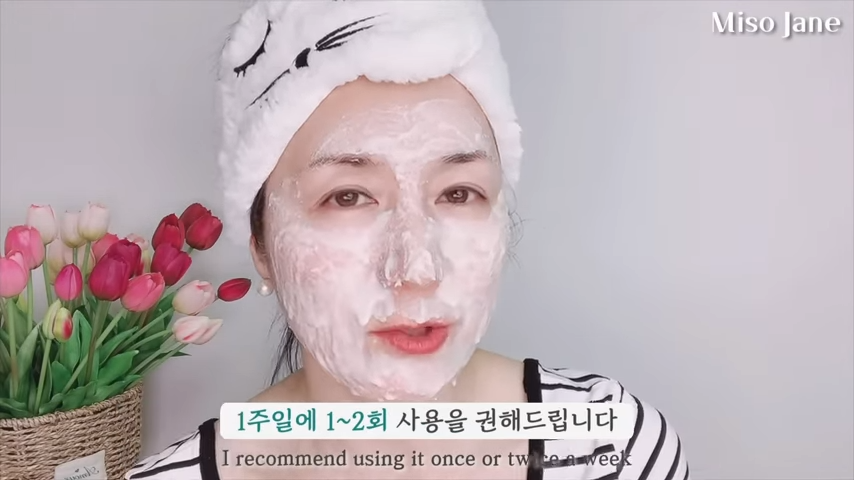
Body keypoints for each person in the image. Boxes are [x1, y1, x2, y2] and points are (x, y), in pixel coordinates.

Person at [125, 1, 690, 479]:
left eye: (459, 193)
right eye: (347, 197)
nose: (417, 269)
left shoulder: (612, 447)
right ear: (262, 248)